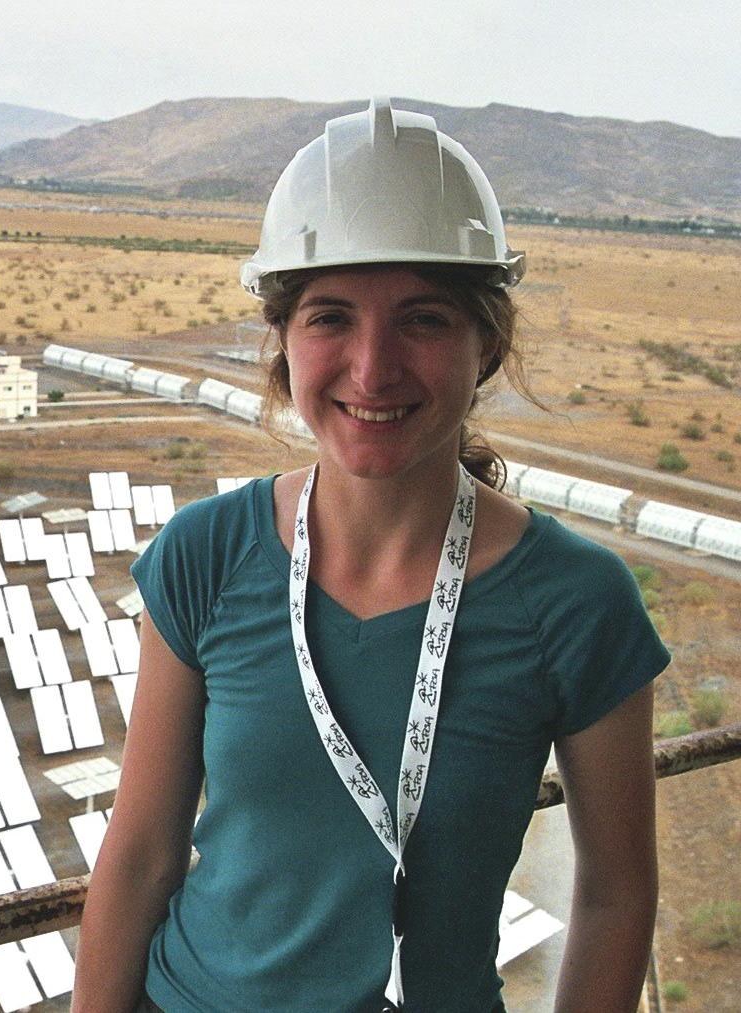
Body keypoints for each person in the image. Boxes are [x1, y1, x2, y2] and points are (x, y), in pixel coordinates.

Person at [73, 98, 670, 1012]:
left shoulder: (576, 604)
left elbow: (616, 891)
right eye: (330, 317)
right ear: (282, 341)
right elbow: (143, 849)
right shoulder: (207, 555)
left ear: (488, 344)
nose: (372, 367)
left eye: (424, 319)